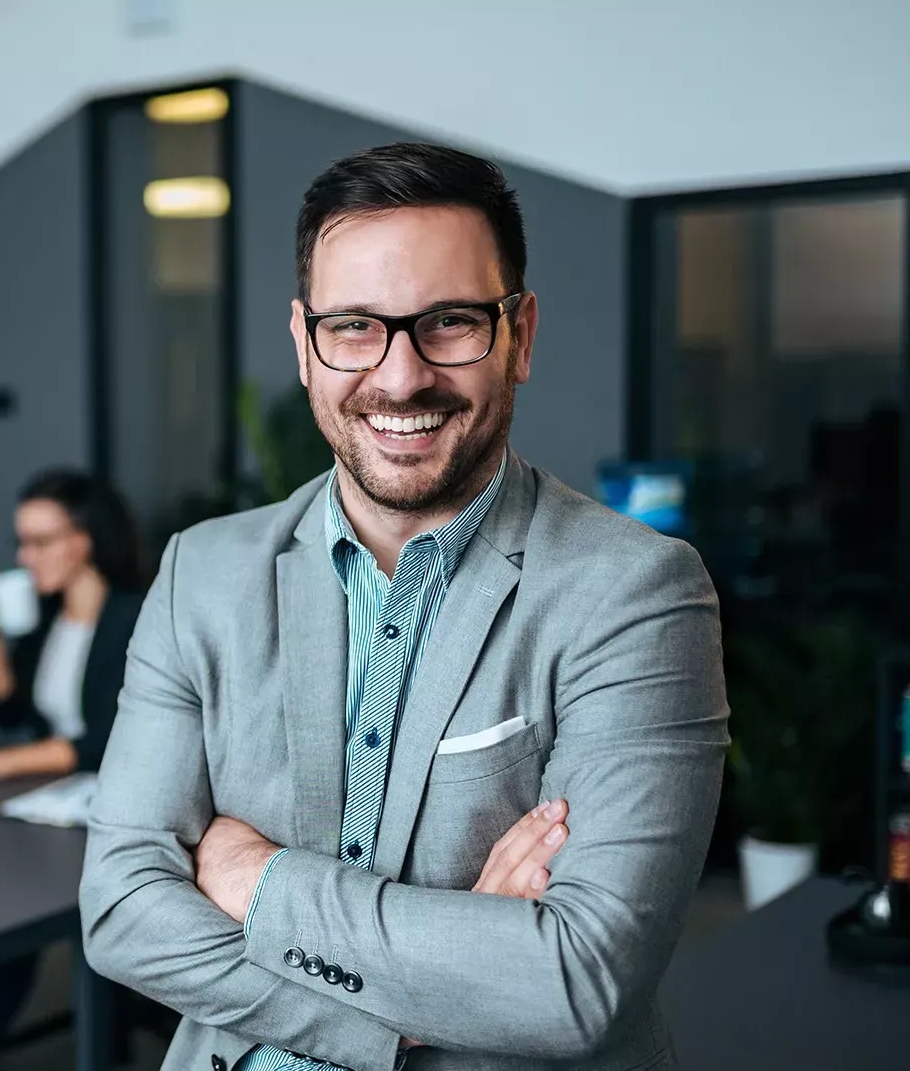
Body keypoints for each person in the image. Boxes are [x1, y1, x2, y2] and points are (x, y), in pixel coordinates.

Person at [80, 143, 728, 1071]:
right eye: (354, 327)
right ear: (305, 346)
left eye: (451, 322)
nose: (399, 376)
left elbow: (578, 982)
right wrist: (414, 1006)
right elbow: (119, 912)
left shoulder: (632, 592)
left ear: (521, 337)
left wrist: (251, 878)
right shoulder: (201, 574)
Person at [0, 467, 145, 1070]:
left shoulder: (135, 617)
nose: (27, 557)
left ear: (86, 540)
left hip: (120, 801)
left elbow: (103, 740)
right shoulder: (45, 619)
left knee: (34, 903)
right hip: (56, 797)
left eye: (41, 541)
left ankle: (106, 1039)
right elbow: (8, 709)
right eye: (21, 542)